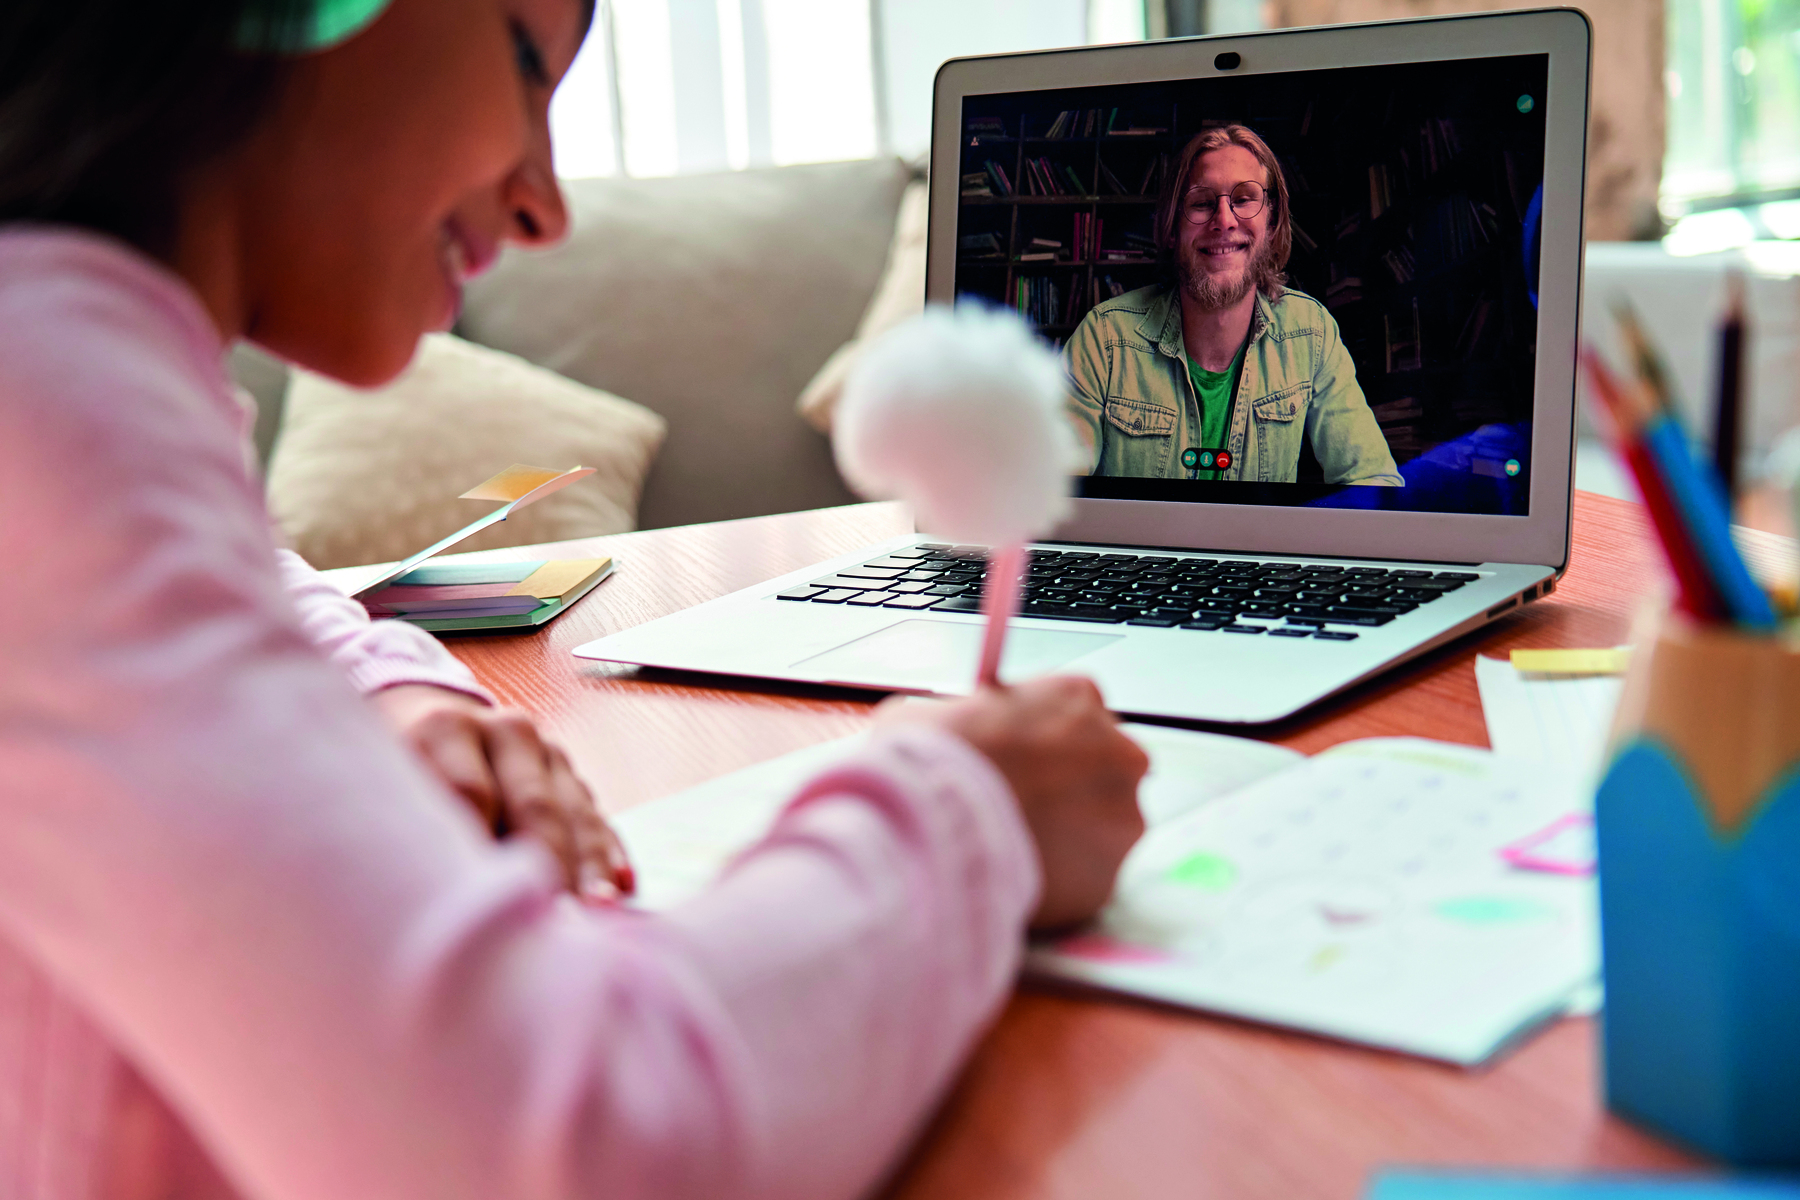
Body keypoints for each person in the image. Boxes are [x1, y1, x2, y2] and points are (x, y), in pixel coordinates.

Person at [0, 2, 1150, 1198]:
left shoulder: (64, 368)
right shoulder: (47, 415)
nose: (544, 204)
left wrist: (391, 698)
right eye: (527, 60)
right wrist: (975, 813)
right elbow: (570, 1151)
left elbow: (250, 583)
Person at [1064, 124, 1403, 487]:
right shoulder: (1104, 339)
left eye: (1243, 199)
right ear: (1172, 228)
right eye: (1201, 203)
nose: (1224, 220)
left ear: (1272, 221)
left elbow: (1373, 485)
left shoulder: (1312, 332)